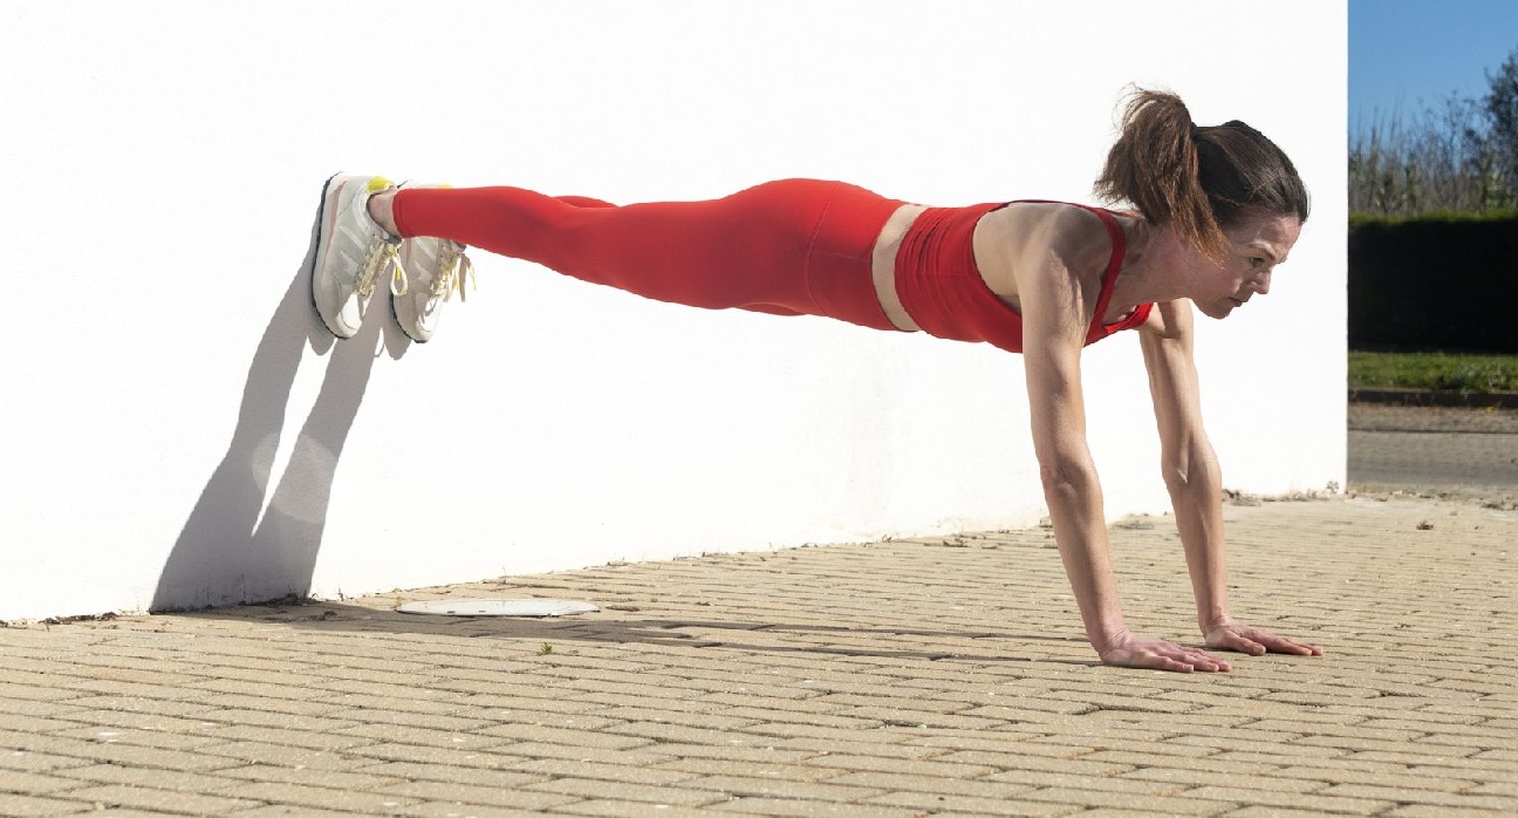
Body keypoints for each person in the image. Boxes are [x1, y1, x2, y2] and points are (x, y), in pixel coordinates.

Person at [310, 88, 1323, 673]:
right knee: (594, 241)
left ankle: (430, 215)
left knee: (601, 230)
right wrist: (1108, 633)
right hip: (802, 241)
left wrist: (1214, 614)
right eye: (1257, 259)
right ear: (1192, 222)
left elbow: (1187, 458)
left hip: (847, 276)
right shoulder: (1071, 252)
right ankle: (387, 208)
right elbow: (1064, 460)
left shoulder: (1163, 301)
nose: (1262, 284)